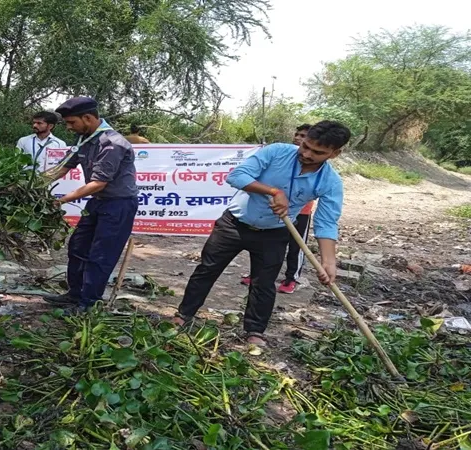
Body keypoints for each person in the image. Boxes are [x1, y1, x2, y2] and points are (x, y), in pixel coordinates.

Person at [173, 120, 351, 346]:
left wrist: (328, 262)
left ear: (334, 154)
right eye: (305, 146)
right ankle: (183, 315)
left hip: (274, 233)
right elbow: (236, 176)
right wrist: (273, 191)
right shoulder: (277, 152)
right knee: (207, 270)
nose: (306, 153)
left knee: (263, 283)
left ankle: (254, 331)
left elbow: (326, 222)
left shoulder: (331, 182)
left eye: (317, 152)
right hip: (234, 224)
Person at [43, 97, 139, 311]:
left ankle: (88, 303)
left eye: (71, 122)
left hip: (118, 205)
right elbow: (63, 168)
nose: (69, 128)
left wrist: (61, 200)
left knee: (101, 255)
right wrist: (31, 184)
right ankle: (75, 294)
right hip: (97, 203)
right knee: (78, 247)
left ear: (87, 118)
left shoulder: (112, 143)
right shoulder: (84, 139)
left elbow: (98, 183)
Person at [240, 123, 316, 295]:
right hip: (272, 210)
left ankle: (291, 278)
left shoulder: (315, 165)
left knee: (296, 244)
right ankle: (256, 275)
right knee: (263, 247)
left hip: (300, 211)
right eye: (297, 134)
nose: (298, 138)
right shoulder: (281, 154)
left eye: (303, 136)